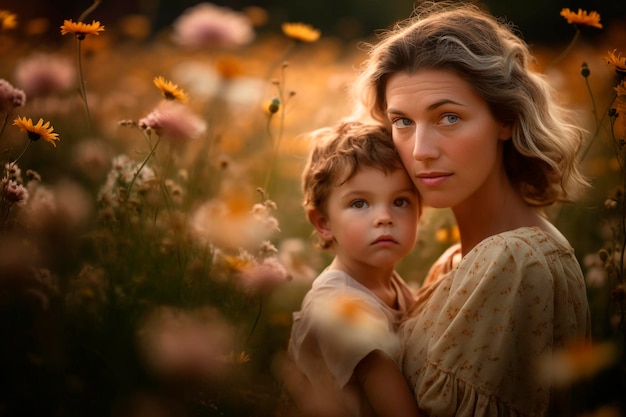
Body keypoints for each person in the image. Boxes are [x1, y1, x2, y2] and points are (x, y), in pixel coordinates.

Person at [350, 1, 591, 416]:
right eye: (403, 122)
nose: (420, 152)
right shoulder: (461, 260)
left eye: (448, 117)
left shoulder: (512, 262)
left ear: (506, 119)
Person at [284, 120, 423, 417]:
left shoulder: (391, 284)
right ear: (323, 223)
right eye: (360, 204)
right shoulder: (337, 304)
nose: (384, 217)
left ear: (420, 211)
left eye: (400, 201)